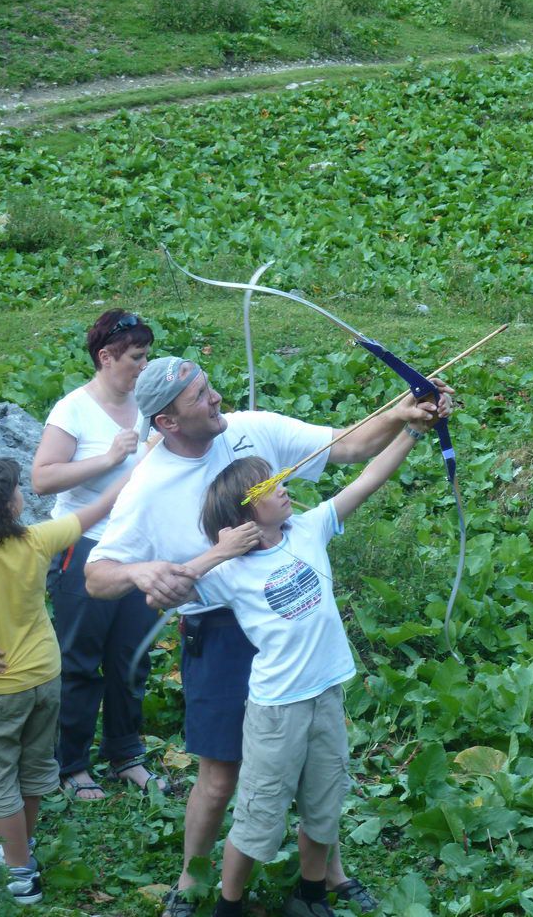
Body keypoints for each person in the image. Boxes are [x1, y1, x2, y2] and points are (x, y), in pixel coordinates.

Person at [84, 355, 452, 917]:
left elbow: (351, 448)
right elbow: (95, 574)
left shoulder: (249, 431)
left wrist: (408, 414)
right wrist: (139, 573)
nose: (216, 399)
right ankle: (192, 881)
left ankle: (325, 876)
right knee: (221, 771)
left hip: (290, 622)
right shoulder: (147, 487)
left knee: (319, 762)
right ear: (167, 424)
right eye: (201, 399)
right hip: (221, 627)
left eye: (210, 386)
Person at [181, 411, 432, 917]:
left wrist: (412, 431)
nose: (283, 486)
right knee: (258, 818)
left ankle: (311, 894)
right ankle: (229, 905)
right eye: (270, 485)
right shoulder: (229, 571)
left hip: (326, 696)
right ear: (245, 512)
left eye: (278, 478)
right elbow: (165, 593)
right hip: (277, 710)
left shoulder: (308, 529)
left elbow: (368, 478)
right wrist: (219, 551)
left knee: (323, 807)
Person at [31, 309, 160, 800]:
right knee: (81, 658)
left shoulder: (146, 403)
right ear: (105, 357)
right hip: (84, 543)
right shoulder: (73, 410)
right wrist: (107, 458)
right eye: (136, 357)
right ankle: (72, 764)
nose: (144, 366)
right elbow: (43, 477)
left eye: (146, 356)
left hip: (138, 546)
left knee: (133, 653)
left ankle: (125, 753)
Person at [0, 458, 129, 905]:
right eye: (18, 490)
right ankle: (23, 846)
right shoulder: (37, 540)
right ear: (10, 507)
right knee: (34, 769)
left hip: (1, 689)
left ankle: (20, 872)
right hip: (46, 676)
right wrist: (142, 455)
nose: (24, 495)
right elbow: (102, 506)